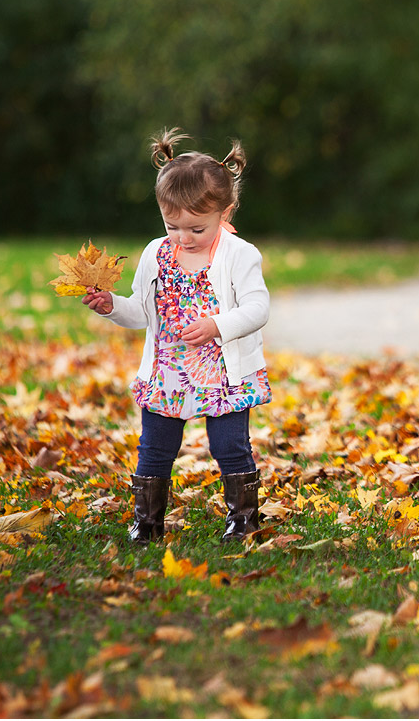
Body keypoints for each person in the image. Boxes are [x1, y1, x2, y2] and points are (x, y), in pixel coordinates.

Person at [83, 128, 271, 545]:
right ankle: (147, 522)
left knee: (230, 447)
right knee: (154, 448)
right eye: (173, 226)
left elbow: (258, 309)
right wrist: (113, 306)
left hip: (223, 372)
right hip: (167, 370)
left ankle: (243, 519)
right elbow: (141, 313)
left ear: (226, 212)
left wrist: (216, 326)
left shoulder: (240, 256)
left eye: (196, 229)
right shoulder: (155, 253)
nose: (184, 237)